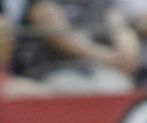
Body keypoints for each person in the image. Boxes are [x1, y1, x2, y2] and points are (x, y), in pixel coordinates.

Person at [10, 0, 140, 93]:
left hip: (98, 71)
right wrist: (108, 58)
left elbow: (121, 29)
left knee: (117, 86)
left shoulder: (102, 3)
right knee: (74, 88)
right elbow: (62, 39)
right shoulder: (43, 4)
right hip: (52, 71)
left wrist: (128, 53)